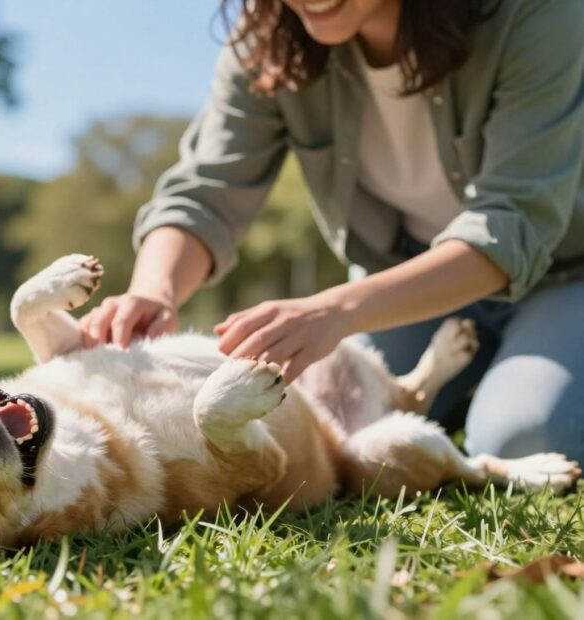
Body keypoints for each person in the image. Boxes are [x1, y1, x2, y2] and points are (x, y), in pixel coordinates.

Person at [79, 0, 584, 462]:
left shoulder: (535, 13)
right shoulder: (270, 35)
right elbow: (208, 189)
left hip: (565, 273)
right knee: (338, 418)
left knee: (524, 438)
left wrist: (335, 310)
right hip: (405, 276)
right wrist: (154, 290)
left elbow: (515, 220)